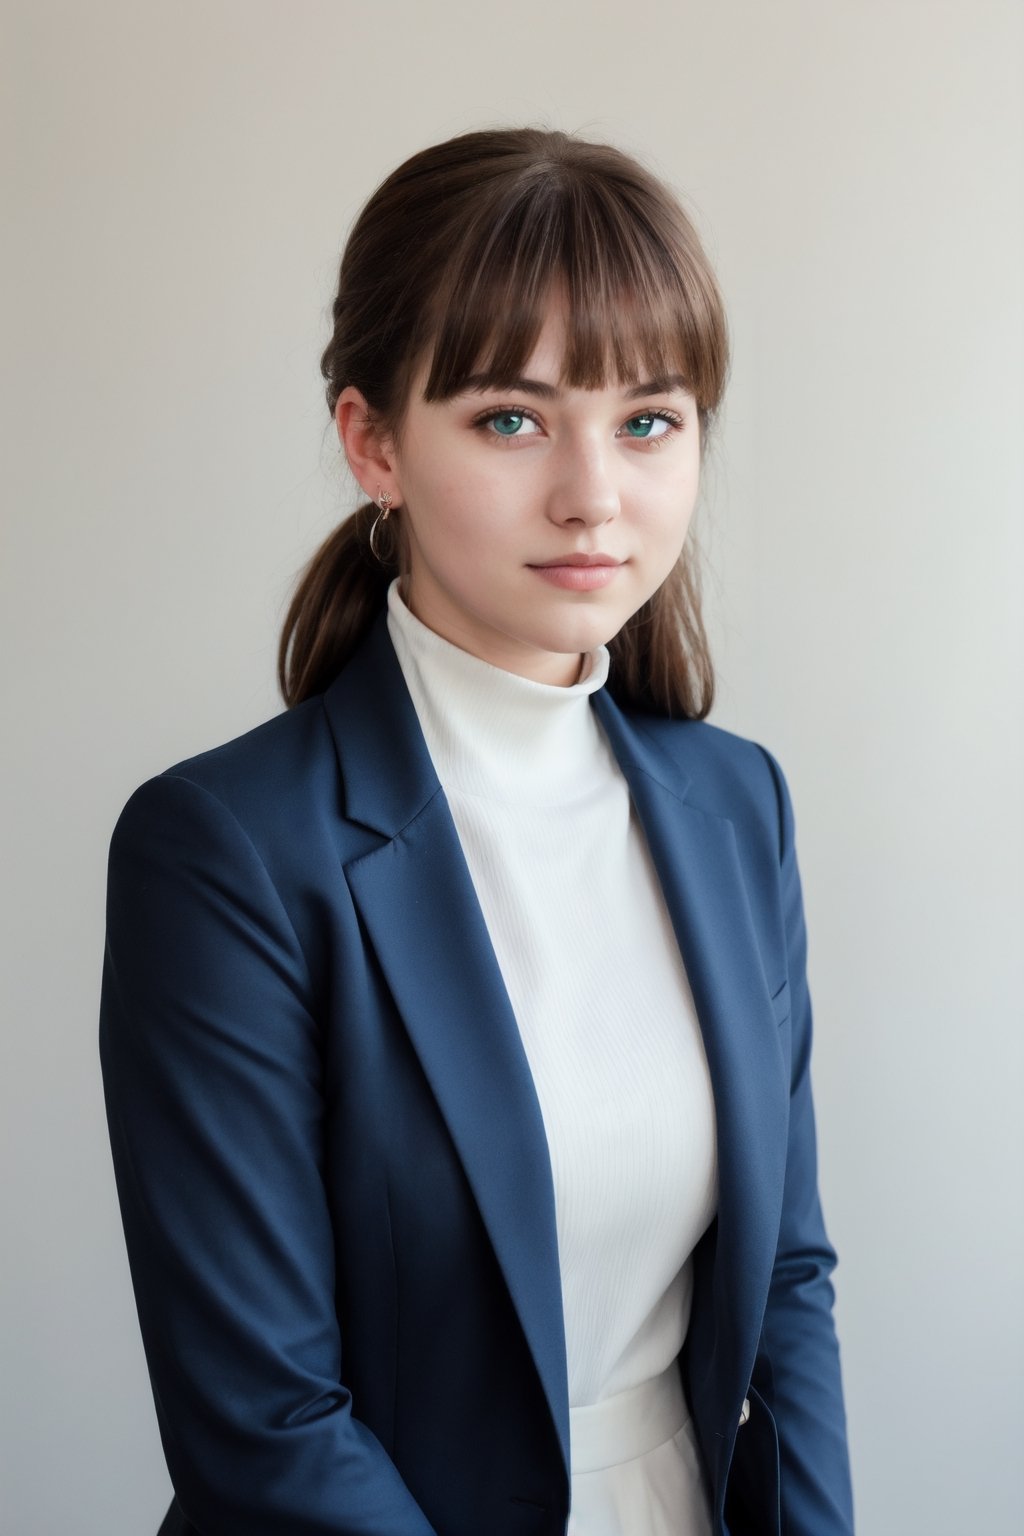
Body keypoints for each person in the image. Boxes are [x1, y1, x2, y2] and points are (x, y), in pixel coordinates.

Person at [99, 127, 854, 1536]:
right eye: (512, 419)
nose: (595, 496)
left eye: (648, 420)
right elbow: (265, 1423)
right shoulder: (226, 852)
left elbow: (787, 1287)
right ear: (372, 440)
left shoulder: (734, 803)